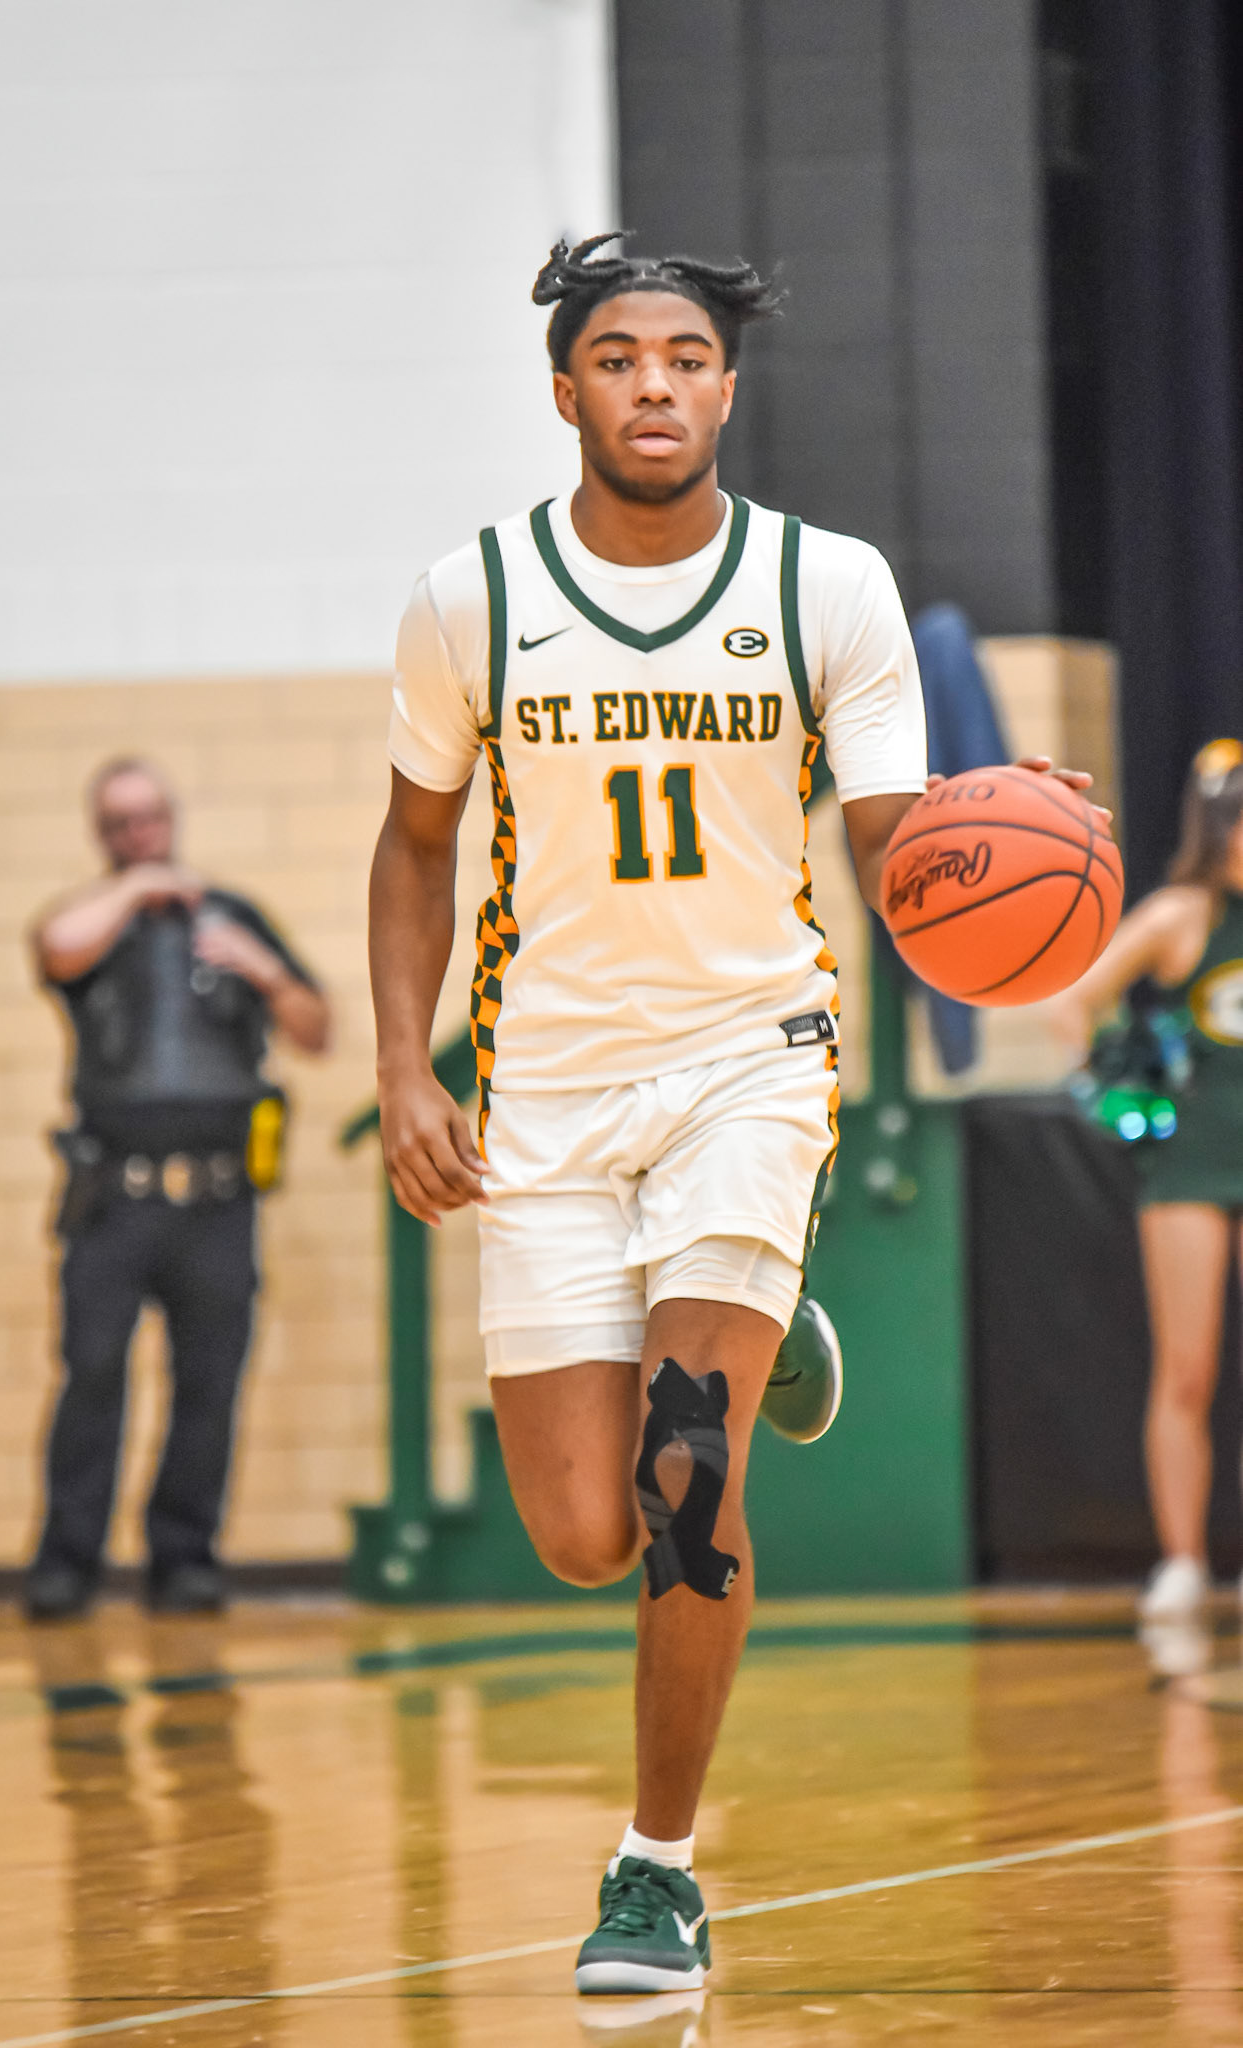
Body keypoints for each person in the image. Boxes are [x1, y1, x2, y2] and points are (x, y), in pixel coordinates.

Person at [368, 231, 1091, 1994]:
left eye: (686, 358)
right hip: (546, 1080)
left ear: (728, 389)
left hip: (750, 1058)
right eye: (620, 358)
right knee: (582, 1533)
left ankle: (656, 1871)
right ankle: (776, 1338)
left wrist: (999, 831)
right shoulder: (472, 596)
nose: (656, 385)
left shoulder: (822, 584)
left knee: (684, 1479)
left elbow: (894, 846)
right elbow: (413, 843)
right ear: (566, 391)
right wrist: (400, 1066)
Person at [26, 757, 329, 1621]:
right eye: (121, 824)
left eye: (150, 818)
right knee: (91, 1376)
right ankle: (68, 1563)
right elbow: (54, 948)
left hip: (217, 1202)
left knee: (208, 1385)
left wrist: (263, 970)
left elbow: (316, 1028)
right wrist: (136, 889)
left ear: (172, 817)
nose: (140, 835)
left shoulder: (233, 917)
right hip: (112, 1199)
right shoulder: (94, 923)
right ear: (102, 835)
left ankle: (184, 1559)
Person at [1051, 738, 1243, 1623]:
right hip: (1190, 1160)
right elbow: (1071, 999)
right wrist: (1112, 1090)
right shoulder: (1178, 916)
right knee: (1186, 1370)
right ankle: (1181, 1562)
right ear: (1215, 830)